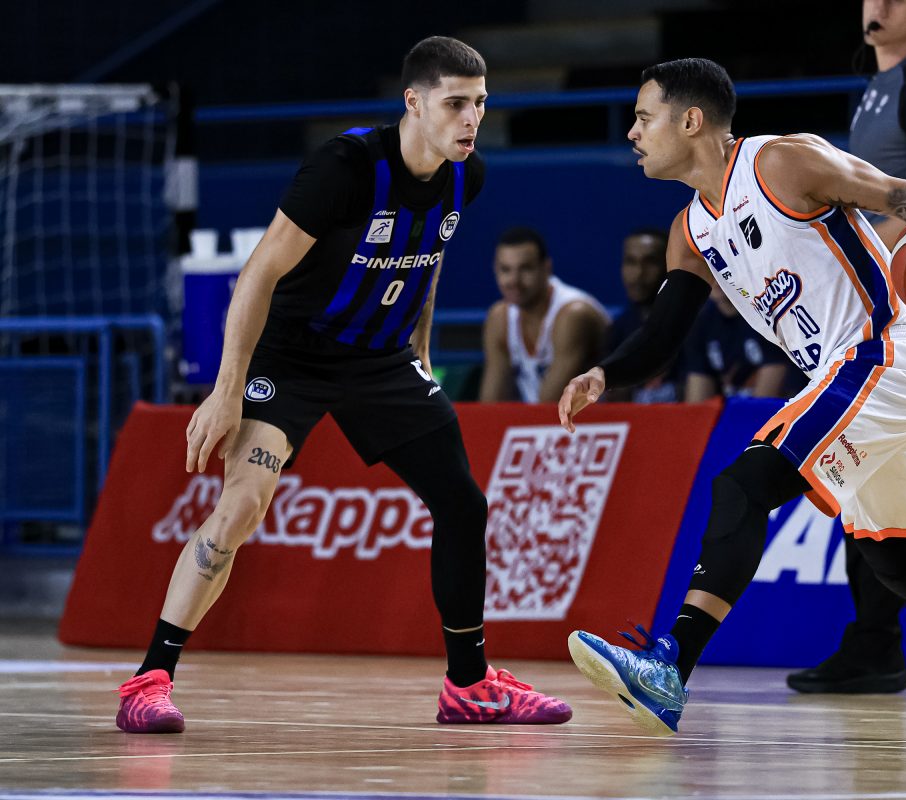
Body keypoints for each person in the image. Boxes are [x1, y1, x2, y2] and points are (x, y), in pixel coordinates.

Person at [558, 58, 906, 738]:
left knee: (743, 484)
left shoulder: (782, 163)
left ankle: (670, 667)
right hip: (846, 379)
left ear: (690, 120)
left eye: (643, 118)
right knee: (895, 555)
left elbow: (899, 194)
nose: (632, 133)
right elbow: (664, 332)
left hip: (881, 354)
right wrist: (604, 374)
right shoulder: (689, 231)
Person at [114, 36, 571, 734]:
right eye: (456, 103)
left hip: (380, 361)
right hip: (291, 358)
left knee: (462, 504)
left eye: (480, 103)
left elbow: (428, 253)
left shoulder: (464, 175)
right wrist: (227, 388)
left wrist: (420, 347)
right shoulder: (345, 168)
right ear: (413, 102)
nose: (472, 118)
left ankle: (469, 686)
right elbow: (258, 273)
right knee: (241, 507)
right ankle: (149, 682)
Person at [790, 0, 906, 696]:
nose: (878, 5)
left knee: (851, 466)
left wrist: (843, 268)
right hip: (862, 303)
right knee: (865, 476)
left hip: (897, 307)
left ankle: (891, 633)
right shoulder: (879, 87)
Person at [479, 227, 609, 403]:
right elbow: (491, 404)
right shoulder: (499, 318)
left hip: (603, 418)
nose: (514, 280)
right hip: (544, 418)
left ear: (546, 268)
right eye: (505, 269)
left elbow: (550, 406)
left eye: (525, 269)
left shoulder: (573, 314)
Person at [605, 228, 685, 403]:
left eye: (650, 262)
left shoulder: (694, 324)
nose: (638, 274)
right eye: (630, 262)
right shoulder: (620, 328)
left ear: (671, 265)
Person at [683, 288, 795, 401]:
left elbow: (765, 399)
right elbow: (697, 400)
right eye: (712, 276)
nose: (716, 281)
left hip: (781, 406)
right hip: (732, 408)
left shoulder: (764, 311)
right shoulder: (701, 321)